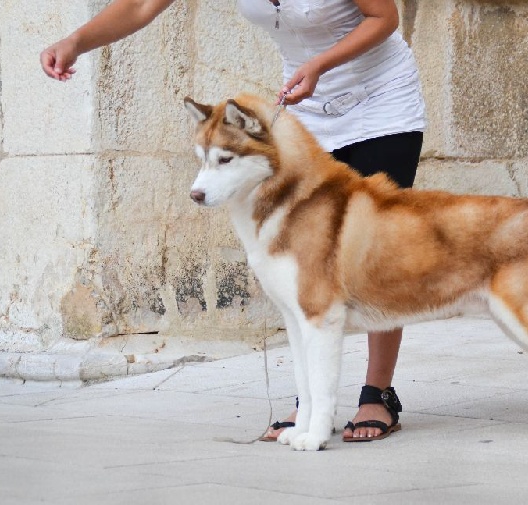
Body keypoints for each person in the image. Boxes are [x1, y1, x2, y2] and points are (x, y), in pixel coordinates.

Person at [41, 0, 426, 442]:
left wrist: (320, 63)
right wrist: (76, 42)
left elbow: (384, 17)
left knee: (377, 250)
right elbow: (141, 6)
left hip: (380, 102)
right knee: (298, 258)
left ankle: (378, 393)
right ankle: (311, 402)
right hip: (305, 111)